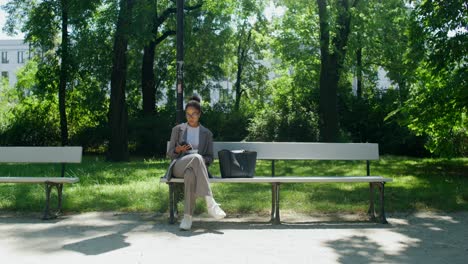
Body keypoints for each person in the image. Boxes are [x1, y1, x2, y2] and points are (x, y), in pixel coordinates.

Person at [166, 94, 226, 230]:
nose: (190, 117)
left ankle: (187, 218)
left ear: (199, 114)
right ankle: (210, 203)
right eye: (187, 114)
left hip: (195, 169)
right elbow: (170, 153)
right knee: (196, 158)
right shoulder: (178, 130)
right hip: (179, 165)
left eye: (194, 114)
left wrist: (201, 160)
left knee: (191, 174)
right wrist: (178, 149)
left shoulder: (207, 133)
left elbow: (210, 157)